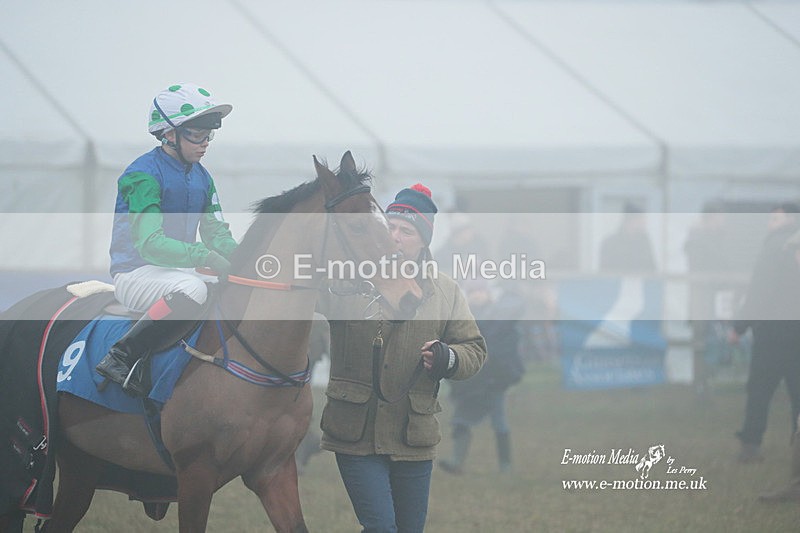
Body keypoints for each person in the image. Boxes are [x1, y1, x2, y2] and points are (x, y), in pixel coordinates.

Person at [319, 184, 487, 533]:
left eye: (406, 231)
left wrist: (448, 358)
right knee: (381, 528)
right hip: (355, 431)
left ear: (424, 240)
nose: (395, 237)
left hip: (414, 434)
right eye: (390, 227)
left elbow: (474, 349)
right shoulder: (345, 279)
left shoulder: (445, 290)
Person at [95, 83, 237, 397]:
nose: (205, 144)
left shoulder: (202, 176)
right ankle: (122, 354)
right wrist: (205, 257)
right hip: (136, 273)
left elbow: (216, 233)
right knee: (193, 288)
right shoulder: (142, 174)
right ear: (169, 134)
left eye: (208, 136)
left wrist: (246, 260)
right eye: (197, 135)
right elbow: (151, 245)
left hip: (175, 272)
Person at [731, 203, 800, 462]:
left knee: (760, 390)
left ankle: (750, 444)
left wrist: (740, 326)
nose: (769, 223)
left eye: (774, 219)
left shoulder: (774, 247)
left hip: (773, 332)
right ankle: (798, 452)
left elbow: (760, 290)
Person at [439, 278, 525, 475]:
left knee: (499, 421)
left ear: (487, 294)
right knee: (461, 420)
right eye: (472, 292)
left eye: (480, 291)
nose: (477, 295)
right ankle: (457, 462)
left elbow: (504, 347)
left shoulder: (500, 319)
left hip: (494, 380)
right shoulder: (460, 318)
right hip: (469, 382)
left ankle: (506, 466)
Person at [599, 202, 656, 274]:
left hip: (640, 283)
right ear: (631, 220)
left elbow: (652, 269)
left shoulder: (644, 241)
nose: (644, 223)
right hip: (617, 283)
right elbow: (605, 272)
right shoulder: (610, 243)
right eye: (641, 220)